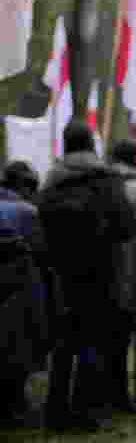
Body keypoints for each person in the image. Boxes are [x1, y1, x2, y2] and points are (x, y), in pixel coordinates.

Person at [37, 121, 135, 432]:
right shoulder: (106, 179)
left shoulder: (52, 181)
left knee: (63, 342)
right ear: (91, 144)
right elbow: (126, 226)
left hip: (61, 271)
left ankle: (55, 409)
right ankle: (84, 409)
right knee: (93, 339)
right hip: (100, 269)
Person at [106, 139, 136, 412]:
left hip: (102, 270)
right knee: (120, 338)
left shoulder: (103, 184)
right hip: (128, 270)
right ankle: (118, 395)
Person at [0, 161, 49, 427]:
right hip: (18, 288)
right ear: (24, 186)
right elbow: (42, 253)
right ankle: (15, 405)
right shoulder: (27, 212)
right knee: (17, 349)